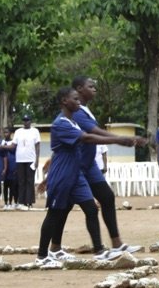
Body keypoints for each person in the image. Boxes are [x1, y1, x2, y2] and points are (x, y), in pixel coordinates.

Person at [34, 88, 108, 268]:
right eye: (75, 99)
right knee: (55, 212)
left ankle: (99, 251)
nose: (79, 102)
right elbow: (87, 138)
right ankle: (42, 256)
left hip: (76, 174)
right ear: (64, 101)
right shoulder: (60, 124)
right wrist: (119, 139)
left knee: (91, 208)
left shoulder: (73, 122)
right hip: (62, 175)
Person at [70, 76, 144, 256]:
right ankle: (55, 248)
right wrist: (121, 140)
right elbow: (93, 132)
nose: (95, 89)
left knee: (107, 197)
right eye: (91, 86)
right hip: (77, 166)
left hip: (90, 165)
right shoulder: (77, 112)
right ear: (79, 89)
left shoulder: (86, 110)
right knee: (66, 209)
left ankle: (116, 244)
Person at [13, 115, 40, 210]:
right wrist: (1, 146)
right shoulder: (18, 132)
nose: (26, 122)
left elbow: (37, 146)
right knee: (21, 181)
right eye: (24, 120)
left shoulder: (35, 131)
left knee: (30, 181)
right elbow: (14, 145)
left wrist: (37, 160)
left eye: (27, 120)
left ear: (30, 121)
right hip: (20, 159)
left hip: (31, 159)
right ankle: (21, 202)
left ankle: (29, 202)